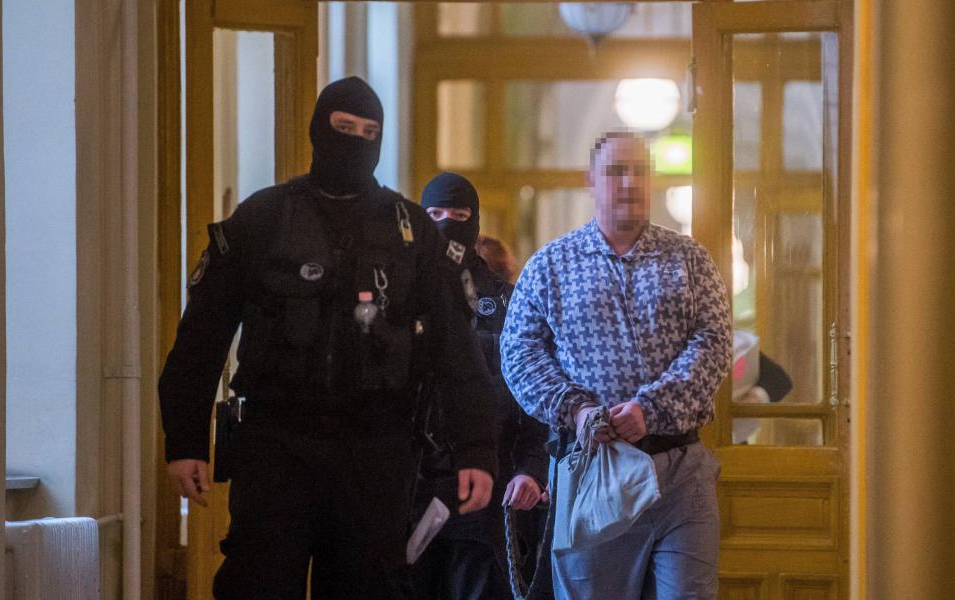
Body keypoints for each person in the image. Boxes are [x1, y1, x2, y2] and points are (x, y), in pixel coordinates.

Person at [158, 77, 498, 600]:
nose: (354, 141)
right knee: (258, 585)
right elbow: (203, 333)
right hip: (276, 446)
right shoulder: (265, 219)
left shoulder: (410, 231)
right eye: (343, 128)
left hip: (376, 450)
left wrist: (476, 449)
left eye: (368, 132)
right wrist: (185, 440)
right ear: (319, 130)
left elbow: (455, 349)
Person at [500, 131, 732, 599]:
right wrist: (576, 410)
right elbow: (518, 352)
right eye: (615, 171)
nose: (629, 182)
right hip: (592, 472)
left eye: (639, 171)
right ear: (591, 180)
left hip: (679, 472)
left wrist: (651, 408)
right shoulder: (551, 265)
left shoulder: (689, 260)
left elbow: (714, 342)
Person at [412, 172, 549, 600]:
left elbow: (535, 396)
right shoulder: (396, 295)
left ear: (474, 221)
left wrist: (532, 469)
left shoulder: (511, 303)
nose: (445, 225)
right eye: (434, 215)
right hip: (411, 487)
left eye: (458, 216)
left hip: (489, 490)